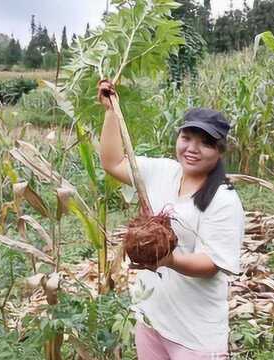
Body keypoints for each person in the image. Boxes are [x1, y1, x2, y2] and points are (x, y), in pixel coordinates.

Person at [98, 80, 245, 360]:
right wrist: (110, 112)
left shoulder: (224, 199)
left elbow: (213, 264)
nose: (192, 148)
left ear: (220, 151)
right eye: (187, 138)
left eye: (205, 143)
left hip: (195, 334)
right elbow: (113, 162)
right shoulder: (162, 172)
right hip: (152, 319)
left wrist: (167, 259)